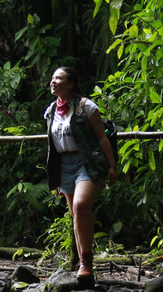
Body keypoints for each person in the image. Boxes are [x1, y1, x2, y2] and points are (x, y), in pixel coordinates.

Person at [45, 67, 118, 280]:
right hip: (64, 165)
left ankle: (87, 263)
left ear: (71, 84)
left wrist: (112, 166)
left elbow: (102, 138)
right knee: (75, 214)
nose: (53, 81)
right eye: (52, 78)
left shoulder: (86, 107)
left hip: (87, 162)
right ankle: (81, 264)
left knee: (80, 205)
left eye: (59, 78)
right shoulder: (51, 111)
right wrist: (56, 177)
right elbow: (53, 145)